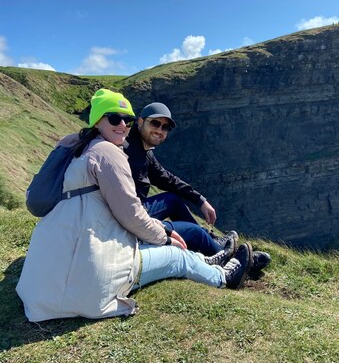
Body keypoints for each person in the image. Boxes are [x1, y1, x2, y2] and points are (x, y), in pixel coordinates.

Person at [16, 89, 253, 322]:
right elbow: (131, 215)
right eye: (115, 118)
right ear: (97, 119)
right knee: (175, 256)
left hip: (39, 291)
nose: (123, 126)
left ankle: (207, 256)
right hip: (87, 286)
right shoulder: (108, 153)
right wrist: (166, 237)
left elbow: (162, 182)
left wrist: (191, 207)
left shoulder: (71, 146)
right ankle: (223, 276)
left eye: (127, 120)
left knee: (170, 224)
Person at [125, 102, 271, 274]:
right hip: (129, 220)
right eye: (155, 123)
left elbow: (166, 179)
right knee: (194, 232)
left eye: (165, 127)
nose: (160, 130)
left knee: (172, 200)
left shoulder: (142, 149)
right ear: (140, 121)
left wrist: (200, 200)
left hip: (133, 211)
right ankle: (236, 262)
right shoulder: (128, 152)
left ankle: (210, 241)